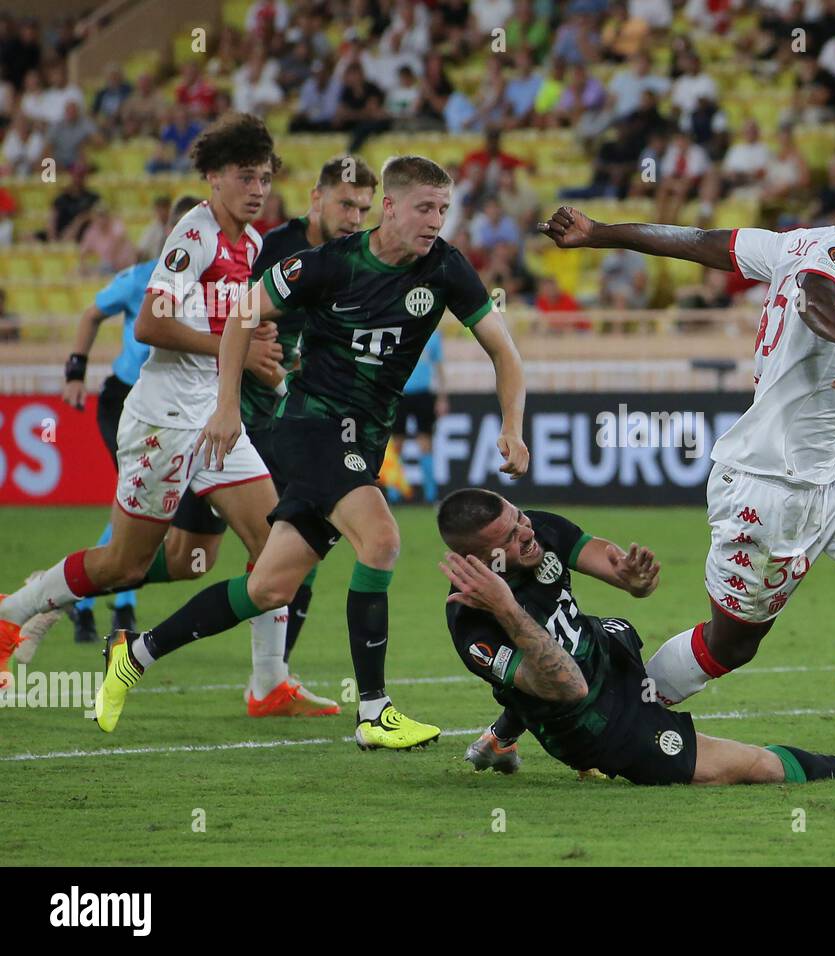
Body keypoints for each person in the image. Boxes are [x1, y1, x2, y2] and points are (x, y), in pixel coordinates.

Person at [93, 156, 531, 752]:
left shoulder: (447, 268)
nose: (436, 220)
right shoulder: (331, 265)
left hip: (363, 440)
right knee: (381, 539)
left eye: (444, 210)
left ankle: (135, 653)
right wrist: (226, 406)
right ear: (392, 207)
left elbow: (505, 353)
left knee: (267, 589)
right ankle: (374, 712)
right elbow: (244, 312)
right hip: (311, 426)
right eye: (425, 208)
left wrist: (512, 425)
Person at [538, 149, 835, 715]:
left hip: (833, 466)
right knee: (732, 644)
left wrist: (600, 233)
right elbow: (817, 293)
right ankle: (613, 717)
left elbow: (694, 241)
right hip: (771, 486)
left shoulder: (789, 242)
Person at [0, 113, 335, 721]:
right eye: (244, 176)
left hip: (210, 417)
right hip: (161, 419)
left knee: (274, 543)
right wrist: (232, 346)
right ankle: (13, 612)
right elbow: (150, 324)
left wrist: (261, 363)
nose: (257, 189)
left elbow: (232, 329)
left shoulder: (252, 245)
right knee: (124, 564)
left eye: (264, 177)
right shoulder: (196, 233)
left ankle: (268, 684)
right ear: (212, 177)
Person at [442, 489, 835, 785]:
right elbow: (567, 687)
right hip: (593, 726)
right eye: (508, 538)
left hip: (606, 649)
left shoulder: (538, 531)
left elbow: (611, 564)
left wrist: (632, 578)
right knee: (754, 768)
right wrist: (508, 609)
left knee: (620, 630)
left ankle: (500, 737)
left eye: (518, 518)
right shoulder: (473, 626)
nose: (526, 533)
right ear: (476, 561)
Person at [242, 156, 378, 672]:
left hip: (285, 418)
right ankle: (47, 598)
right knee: (171, 556)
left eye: (364, 208)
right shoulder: (279, 248)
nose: (353, 217)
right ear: (315, 198)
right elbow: (245, 327)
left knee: (298, 543)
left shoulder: (352, 257)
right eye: (345, 203)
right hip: (253, 418)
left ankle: (273, 677)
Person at [59, 195, 204, 645]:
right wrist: (76, 372)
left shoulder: (211, 286)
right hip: (127, 400)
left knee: (144, 502)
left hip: (179, 403)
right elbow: (92, 313)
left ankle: (93, 600)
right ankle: (103, 604)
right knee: (139, 498)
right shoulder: (142, 280)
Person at [394, 329, 448, 504]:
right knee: (397, 444)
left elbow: (439, 367)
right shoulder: (397, 331)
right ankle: (395, 494)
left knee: (425, 443)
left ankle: (430, 495)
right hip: (398, 393)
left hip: (423, 394)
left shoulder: (433, 335)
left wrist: (442, 397)